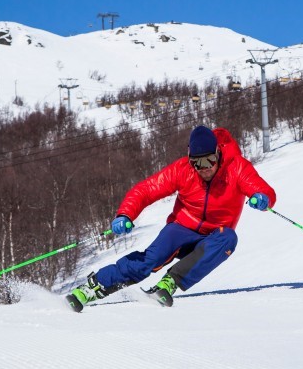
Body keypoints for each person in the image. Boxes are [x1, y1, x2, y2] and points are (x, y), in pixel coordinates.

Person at [67, 125, 276, 311]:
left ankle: (170, 282)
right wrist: (125, 214)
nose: (204, 168)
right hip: (181, 229)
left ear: (218, 153)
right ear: (189, 158)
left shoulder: (237, 167)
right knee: (149, 261)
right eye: (197, 162)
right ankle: (93, 286)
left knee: (229, 238)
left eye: (209, 160)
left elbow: (264, 191)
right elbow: (146, 190)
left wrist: (262, 198)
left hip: (213, 237)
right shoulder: (183, 170)